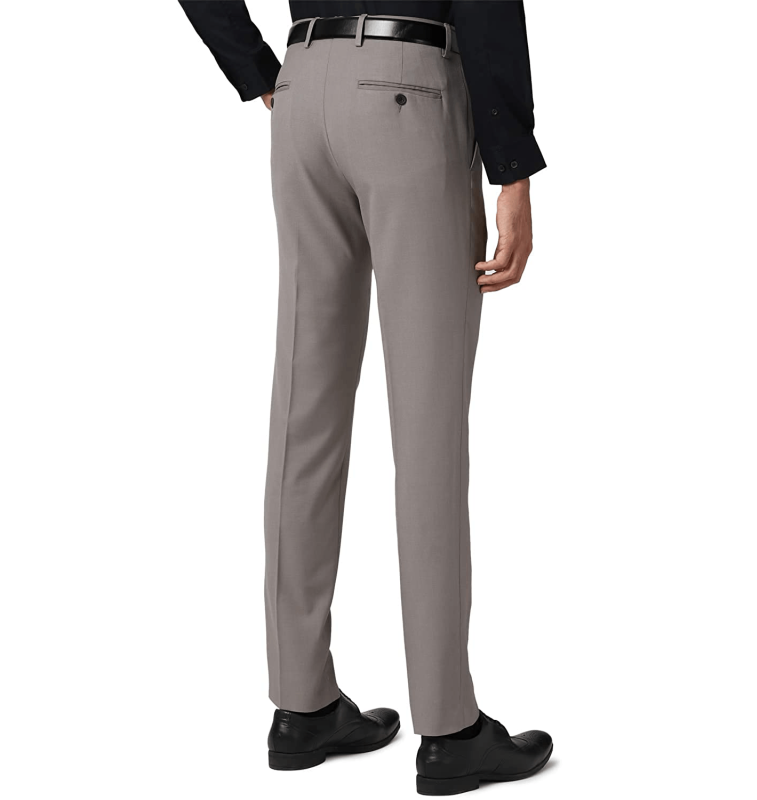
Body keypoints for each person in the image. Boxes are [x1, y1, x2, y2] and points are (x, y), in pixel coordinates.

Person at [178, 1, 552, 793]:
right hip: (407, 91)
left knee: (303, 412)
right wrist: (512, 164)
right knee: (428, 424)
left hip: (300, 91)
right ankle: (449, 730)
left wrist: (256, 68)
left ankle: (302, 706)